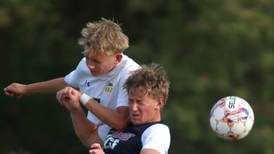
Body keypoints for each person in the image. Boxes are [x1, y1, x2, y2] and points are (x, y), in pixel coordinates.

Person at [3, 18, 140, 147]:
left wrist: (82, 97)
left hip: (129, 141)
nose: (90, 65)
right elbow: (66, 82)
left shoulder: (130, 74)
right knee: (91, 139)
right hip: (101, 139)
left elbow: (120, 122)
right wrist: (26, 89)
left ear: (117, 58)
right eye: (87, 58)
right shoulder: (85, 66)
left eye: (97, 61)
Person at [89, 63, 171, 154]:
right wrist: (75, 108)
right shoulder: (122, 124)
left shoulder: (157, 131)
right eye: (131, 101)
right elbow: (89, 137)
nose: (133, 108)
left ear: (159, 103)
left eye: (140, 102)